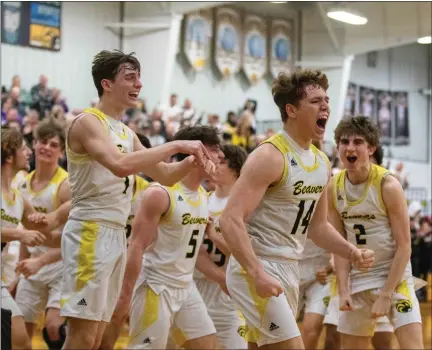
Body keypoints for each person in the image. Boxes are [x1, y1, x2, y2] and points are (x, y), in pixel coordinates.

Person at [60, 50, 215, 349]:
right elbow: (119, 164)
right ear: (106, 84)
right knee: (82, 336)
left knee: (96, 338)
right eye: (130, 77)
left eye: (139, 77)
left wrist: (193, 160)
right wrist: (177, 143)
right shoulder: (88, 122)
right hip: (90, 231)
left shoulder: (125, 131)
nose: (139, 84)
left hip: (116, 233)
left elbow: (167, 176)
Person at [219, 69, 375, 350]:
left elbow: (318, 228)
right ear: (291, 109)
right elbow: (230, 219)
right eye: (316, 101)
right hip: (258, 265)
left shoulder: (320, 162)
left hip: (290, 266)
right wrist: (256, 273)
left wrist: (352, 252)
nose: (325, 105)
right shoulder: (269, 155)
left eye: (326, 99)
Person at [101, 125, 224, 349]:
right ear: (195, 151)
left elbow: (192, 251)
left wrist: (219, 276)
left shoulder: (203, 196)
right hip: (156, 286)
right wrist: (125, 295)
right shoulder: (160, 193)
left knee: (209, 346)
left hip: (186, 286)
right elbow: (136, 246)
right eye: (215, 149)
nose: (221, 155)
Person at [329, 115, 423, 349]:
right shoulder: (333, 186)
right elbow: (340, 245)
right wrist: (343, 290)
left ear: (371, 148)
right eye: (344, 141)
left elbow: (404, 247)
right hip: (358, 280)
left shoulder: (387, 185)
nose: (350, 147)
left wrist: (386, 294)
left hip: (394, 278)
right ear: (338, 146)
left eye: (357, 142)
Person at [1, 128, 69, 349]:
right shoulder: (21, 186)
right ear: (9, 156)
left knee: (21, 341)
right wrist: (19, 234)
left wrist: (77, 211)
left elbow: (43, 233)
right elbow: (25, 235)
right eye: (24, 148)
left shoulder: (18, 197)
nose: (30, 151)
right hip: (28, 272)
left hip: (12, 277)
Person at [323, 144, 394, 350]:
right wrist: (331, 263)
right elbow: (333, 234)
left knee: (383, 343)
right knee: (333, 339)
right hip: (352, 277)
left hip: (383, 276)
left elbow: (402, 243)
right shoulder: (337, 186)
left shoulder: (387, 187)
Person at [194, 144, 248, 349]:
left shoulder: (244, 206)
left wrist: (212, 234)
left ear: (237, 169)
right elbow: (194, 252)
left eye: (222, 162)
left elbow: (243, 253)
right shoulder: (201, 200)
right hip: (198, 286)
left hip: (231, 291)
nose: (214, 164)